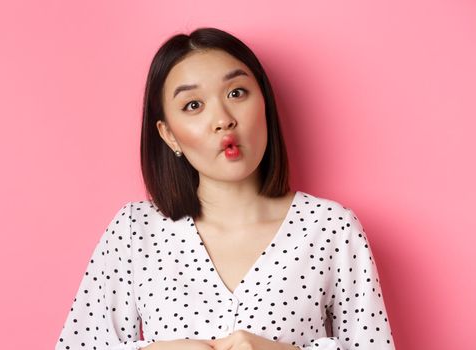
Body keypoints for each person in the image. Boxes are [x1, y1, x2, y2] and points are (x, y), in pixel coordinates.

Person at [55, 27, 395, 350]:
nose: (223, 118)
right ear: (169, 134)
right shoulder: (135, 231)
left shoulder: (330, 228)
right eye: (193, 105)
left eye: (237, 93)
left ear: (265, 104)